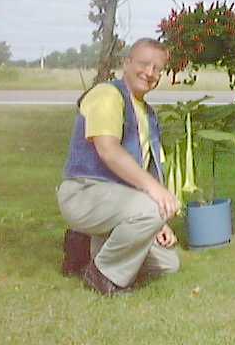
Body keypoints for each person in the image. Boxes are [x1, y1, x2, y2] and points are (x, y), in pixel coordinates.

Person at [57, 38, 181, 295]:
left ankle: (83, 248)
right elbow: (108, 150)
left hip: (117, 203)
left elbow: (145, 170)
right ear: (126, 63)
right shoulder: (107, 95)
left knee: (169, 264)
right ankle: (102, 277)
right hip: (84, 192)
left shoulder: (147, 114)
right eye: (144, 64)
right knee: (150, 209)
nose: (149, 73)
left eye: (157, 68)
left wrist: (157, 223)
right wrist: (156, 199)